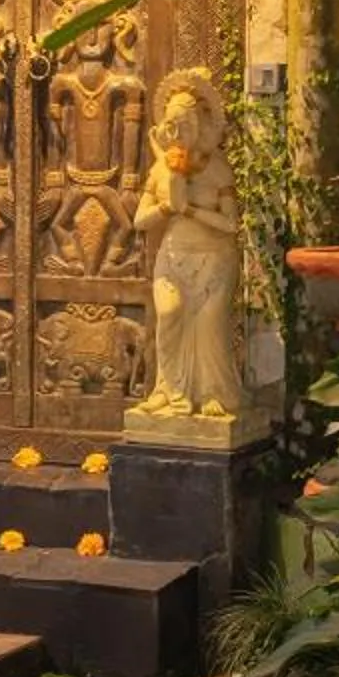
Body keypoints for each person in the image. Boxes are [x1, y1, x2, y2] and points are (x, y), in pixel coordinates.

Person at [131, 70, 243, 419]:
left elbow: (231, 224)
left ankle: (212, 393)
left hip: (215, 259)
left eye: (185, 125)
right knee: (169, 313)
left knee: (210, 325)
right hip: (174, 257)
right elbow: (139, 220)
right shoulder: (162, 169)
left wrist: (191, 210)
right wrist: (167, 203)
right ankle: (169, 389)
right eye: (173, 126)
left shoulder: (218, 169)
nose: (179, 133)